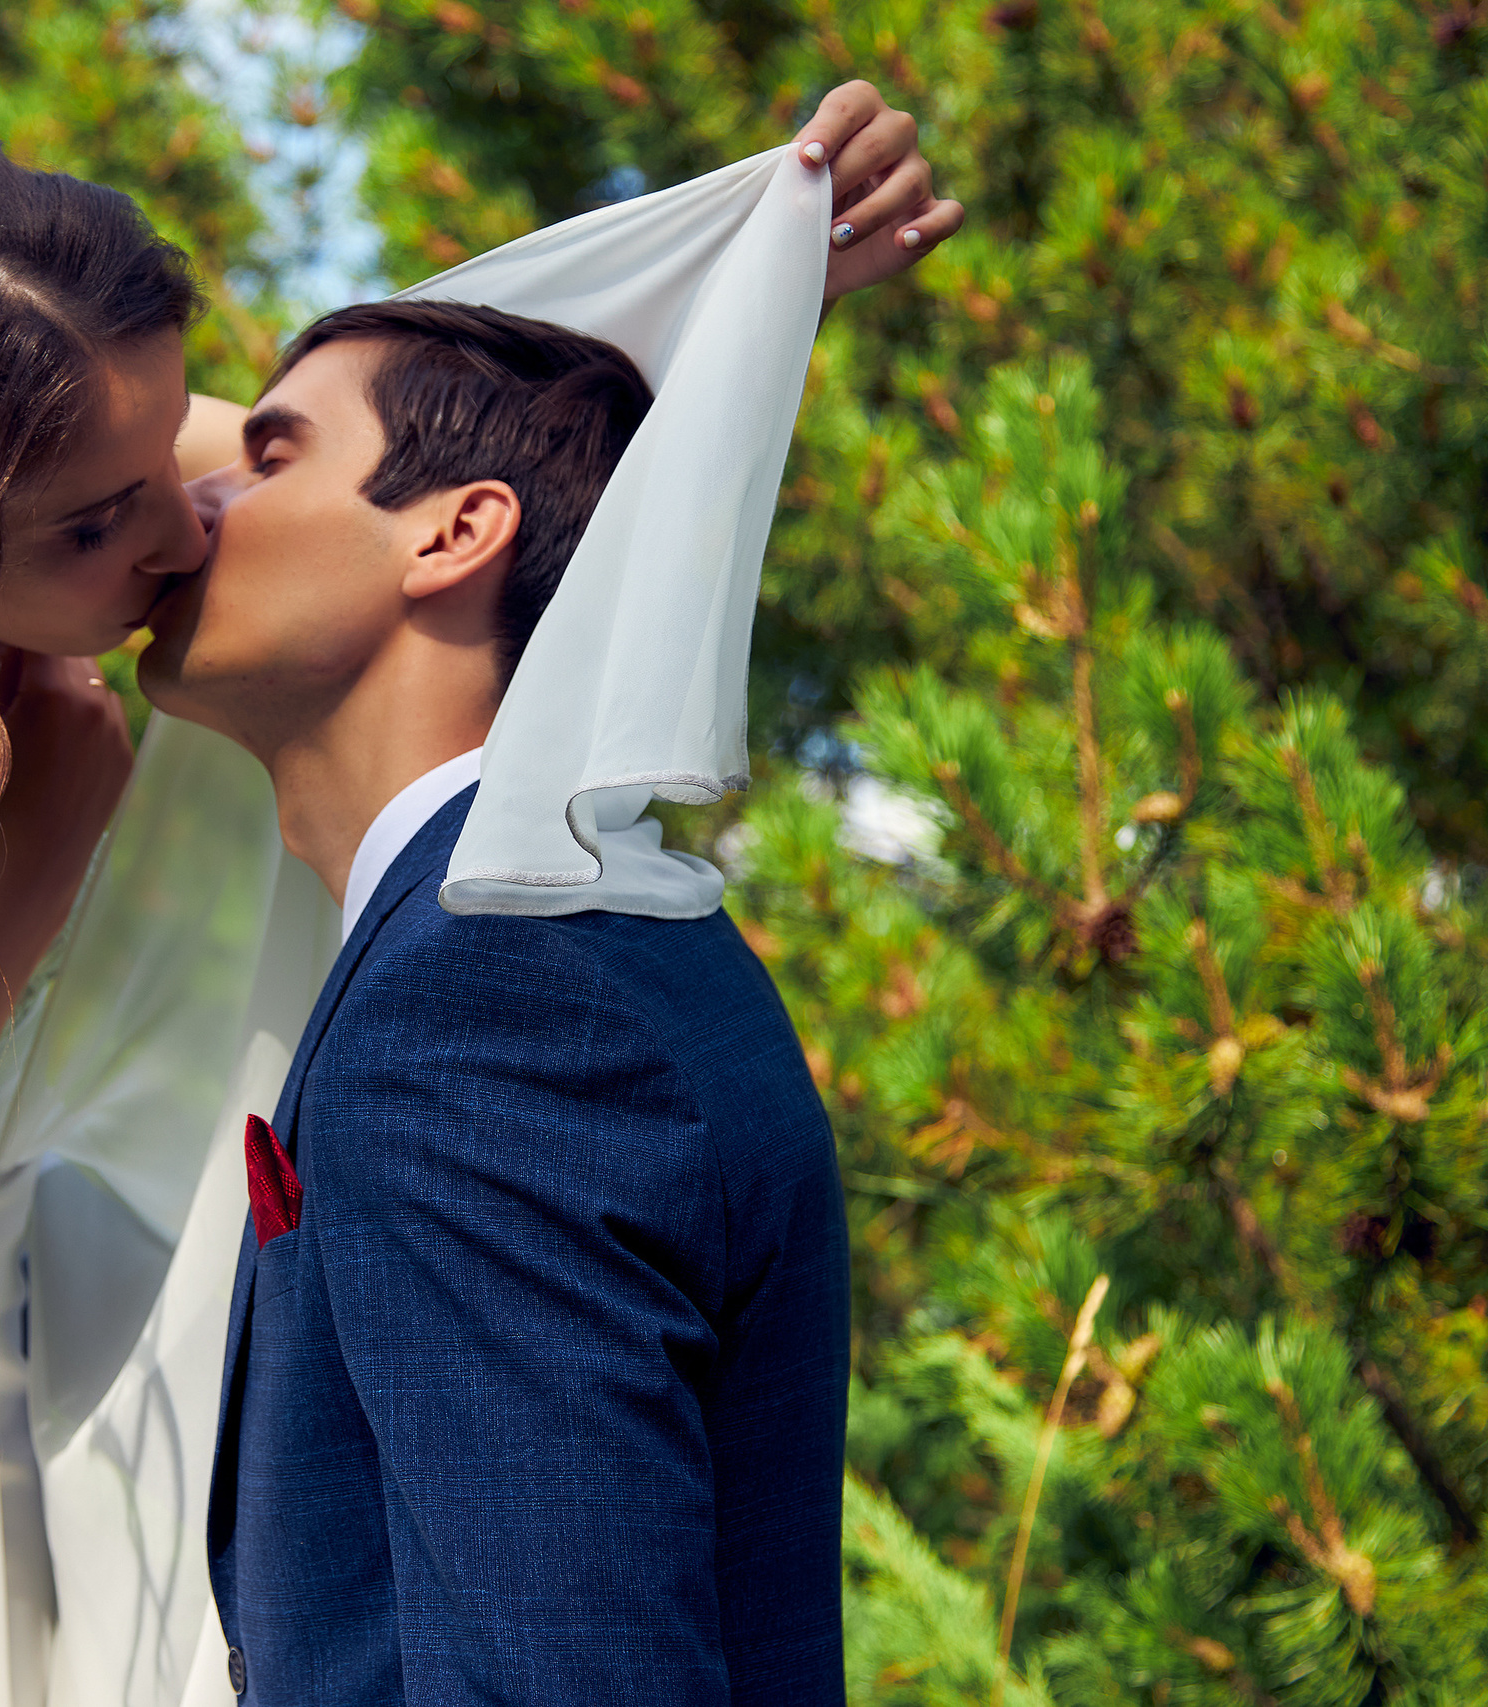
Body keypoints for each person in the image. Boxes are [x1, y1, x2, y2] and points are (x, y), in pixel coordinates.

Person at [0, 87, 952, 1707]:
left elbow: (439, 469)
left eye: (176, 453)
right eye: (97, 519)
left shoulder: (101, 445)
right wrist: (26, 863)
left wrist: (750, 287)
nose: (183, 523)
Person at [136, 108, 936, 1701]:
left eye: (270, 458)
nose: (193, 506)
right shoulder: (565, 946)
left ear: (456, 531)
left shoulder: (485, 1005)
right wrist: (727, 302)